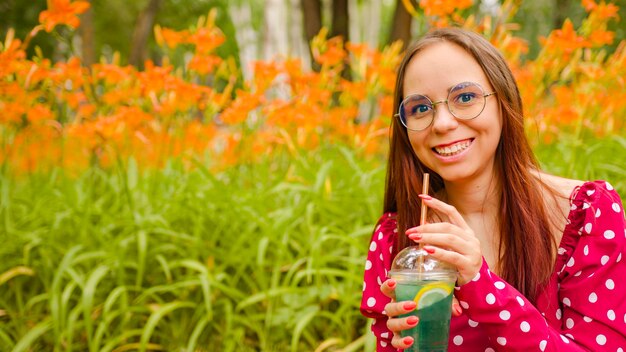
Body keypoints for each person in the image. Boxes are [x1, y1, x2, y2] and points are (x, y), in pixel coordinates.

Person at [360, 27, 626, 351]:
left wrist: (480, 284)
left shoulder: (588, 214)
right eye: (420, 108)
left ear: (504, 100)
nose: (441, 123)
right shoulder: (397, 237)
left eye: (465, 97)